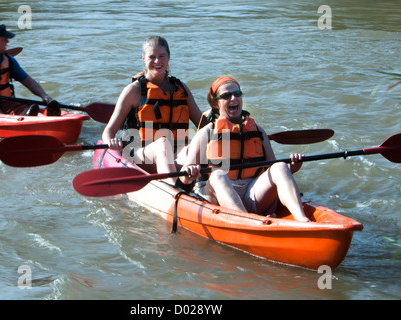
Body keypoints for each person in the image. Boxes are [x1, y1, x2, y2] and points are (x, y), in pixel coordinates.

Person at [179, 76, 310, 222]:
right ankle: (249, 223)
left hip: (251, 192)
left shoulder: (258, 131)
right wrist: (190, 172)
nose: (234, 98)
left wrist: (292, 168)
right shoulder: (207, 132)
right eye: (226, 96)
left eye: (237, 94)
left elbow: (272, 169)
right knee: (218, 175)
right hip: (216, 197)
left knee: (280, 166)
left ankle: (302, 219)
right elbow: (184, 179)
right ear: (215, 103)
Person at [102, 36, 202, 183]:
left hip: (175, 154)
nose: (157, 61)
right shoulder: (134, 91)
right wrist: (111, 142)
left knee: (199, 145)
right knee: (162, 143)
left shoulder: (180, 88)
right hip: (141, 155)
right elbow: (108, 131)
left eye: (161, 56)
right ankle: (174, 191)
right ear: (143, 58)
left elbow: (202, 124)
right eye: (152, 57)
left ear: (168, 58)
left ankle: (200, 186)